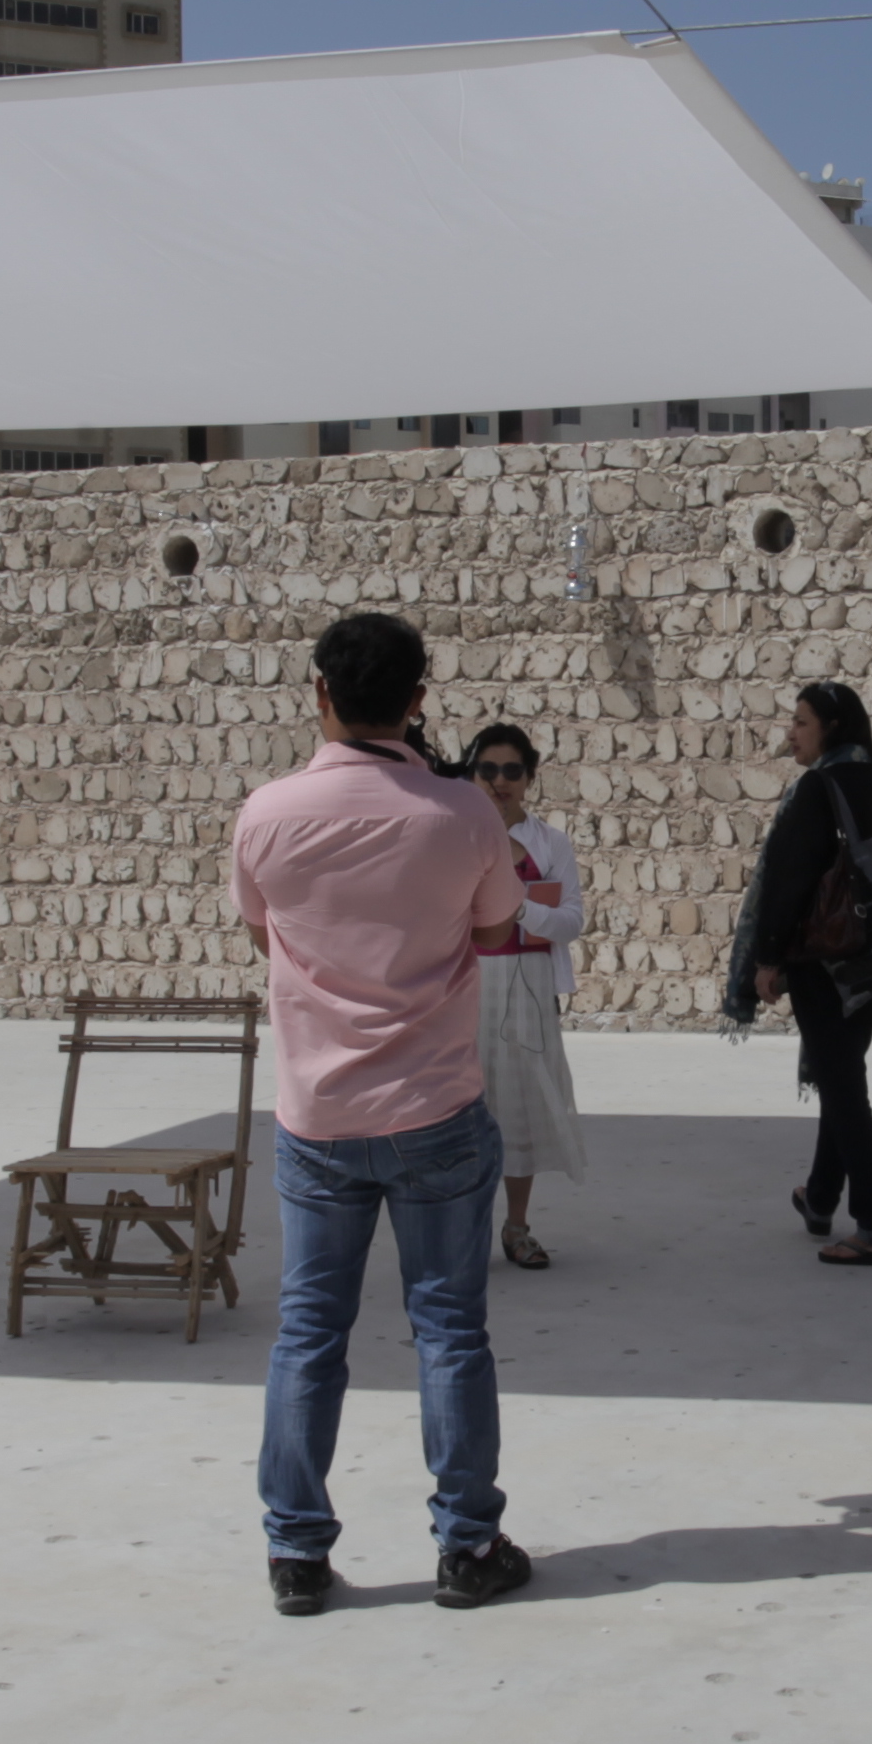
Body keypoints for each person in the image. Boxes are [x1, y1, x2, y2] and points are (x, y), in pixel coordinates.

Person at [225, 611, 536, 1617]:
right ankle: (467, 1542)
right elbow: (496, 930)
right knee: (449, 1329)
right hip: (435, 1103)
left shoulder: (264, 814)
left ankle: (297, 1554)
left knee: (308, 1333)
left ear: (318, 693)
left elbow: (262, 931)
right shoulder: (465, 814)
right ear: (418, 698)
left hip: (319, 1114)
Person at [724, 679, 872, 1267]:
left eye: (800, 721)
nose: (791, 732)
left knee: (843, 1088)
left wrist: (768, 959)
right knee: (842, 1074)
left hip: (820, 961)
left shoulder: (816, 790)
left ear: (831, 727)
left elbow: (788, 881)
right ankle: (821, 1196)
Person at [462, 722, 584, 1269]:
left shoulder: (551, 843)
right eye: (487, 769)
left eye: (512, 770)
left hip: (529, 984)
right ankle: (462, 1230)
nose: (499, 781)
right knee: (464, 1107)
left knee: (522, 1106)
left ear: (529, 777)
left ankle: (516, 1226)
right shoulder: (454, 838)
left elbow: (571, 920)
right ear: (472, 775)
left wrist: (520, 908)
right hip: (465, 984)